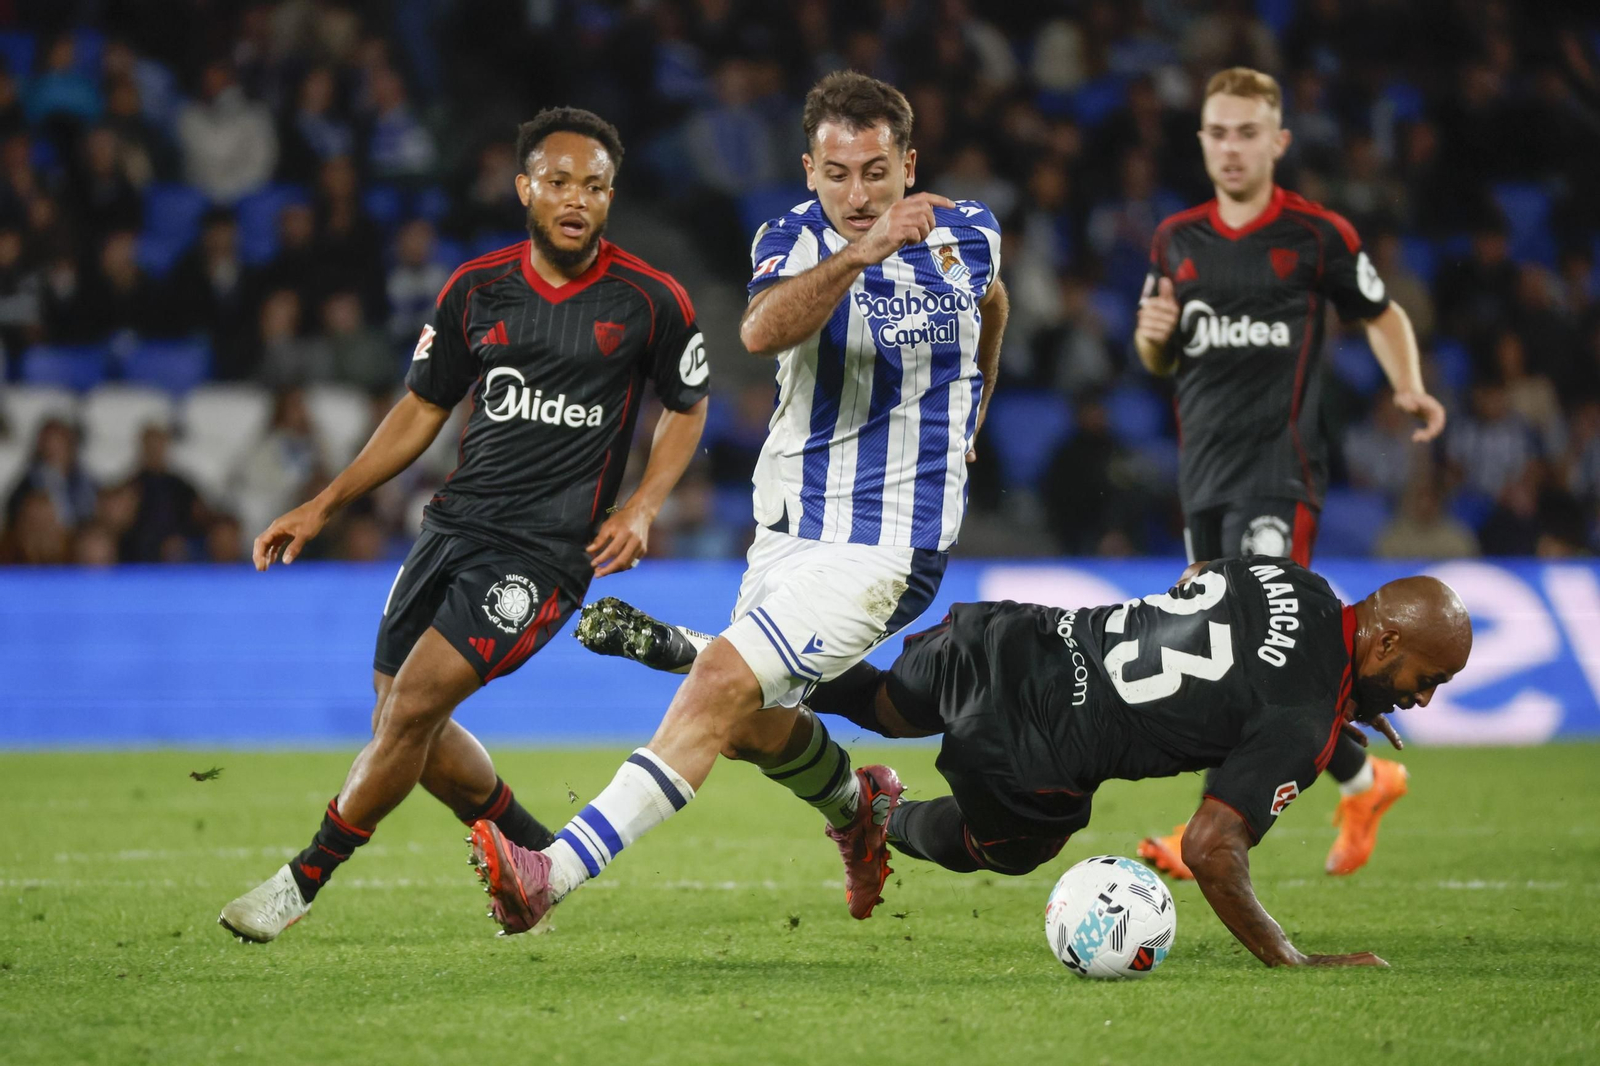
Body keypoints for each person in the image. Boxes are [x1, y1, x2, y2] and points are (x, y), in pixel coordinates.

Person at [468, 71, 1009, 934]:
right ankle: (859, 810)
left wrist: (974, 410)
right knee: (755, 723)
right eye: (838, 174)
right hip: (791, 528)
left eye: (877, 170)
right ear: (808, 170)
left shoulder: (969, 233)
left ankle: (549, 873)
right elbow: (760, 330)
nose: (859, 193)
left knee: (720, 685)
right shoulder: (793, 242)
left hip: (887, 543)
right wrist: (860, 257)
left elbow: (989, 303)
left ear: (911, 163)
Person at [217, 107, 710, 942]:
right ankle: (537, 860)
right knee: (401, 719)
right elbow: (420, 411)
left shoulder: (650, 300)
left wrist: (645, 504)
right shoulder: (476, 290)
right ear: (525, 187)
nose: (575, 199)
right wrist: (324, 504)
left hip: (544, 555)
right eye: (557, 181)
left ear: (610, 197)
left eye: (593, 186)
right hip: (451, 530)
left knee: (409, 708)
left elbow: (687, 408)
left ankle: (299, 884)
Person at [576, 559, 1471, 967]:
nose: (1422, 699)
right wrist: (1291, 959)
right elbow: (1210, 849)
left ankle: (716, 653)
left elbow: (1207, 585)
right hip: (1038, 749)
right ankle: (880, 815)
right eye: (1423, 679)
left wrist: (1346, 696)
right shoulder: (1305, 717)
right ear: (1384, 637)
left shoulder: (1301, 587)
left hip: (1012, 636)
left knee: (887, 700)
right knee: (1012, 847)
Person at [1131, 68, 1448, 880]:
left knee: (1258, 640)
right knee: (1228, 641)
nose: (1231, 147)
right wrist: (1155, 336)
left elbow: (1381, 313)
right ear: (1201, 140)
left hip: (1281, 467)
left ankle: (1208, 827)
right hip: (1204, 471)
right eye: (1218, 132)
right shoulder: (1176, 239)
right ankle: (1364, 777)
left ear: (1277, 141)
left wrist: (1407, 384)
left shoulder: (1317, 235)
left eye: (1247, 132)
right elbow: (1155, 354)